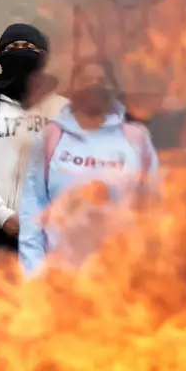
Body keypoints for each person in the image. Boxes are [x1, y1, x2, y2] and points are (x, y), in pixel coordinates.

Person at [19, 59, 161, 275]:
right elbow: (33, 207)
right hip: (61, 277)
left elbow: (154, 204)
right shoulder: (51, 137)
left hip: (123, 276)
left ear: (112, 88)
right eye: (87, 79)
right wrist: (33, 271)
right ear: (73, 87)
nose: (95, 85)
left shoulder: (135, 137)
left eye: (102, 80)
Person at [0, 24, 67, 261]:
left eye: (29, 47)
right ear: (0, 58)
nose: (20, 52)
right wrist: (2, 215)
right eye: (12, 47)